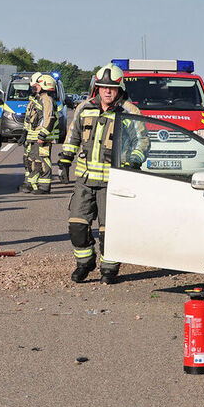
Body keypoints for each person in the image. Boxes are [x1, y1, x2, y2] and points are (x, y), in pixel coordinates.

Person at [58, 64, 149, 284]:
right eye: (103, 87)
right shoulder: (84, 108)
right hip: (85, 180)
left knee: (110, 231)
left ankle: (109, 269)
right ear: (97, 88)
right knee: (77, 225)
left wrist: (134, 161)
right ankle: (84, 263)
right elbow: (73, 136)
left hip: (113, 182)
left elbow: (142, 141)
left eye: (112, 88)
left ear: (120, 89)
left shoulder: (129, 112)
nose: (107, 91)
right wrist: (65, 160)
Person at [24, 74, 58, 194]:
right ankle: (37, 184)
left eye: (38, 84)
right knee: (36, 160)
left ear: (45, 86)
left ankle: (44, 187)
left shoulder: (47, 99)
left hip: (42, 137)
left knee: (44, 160)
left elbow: (48, 118)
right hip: (36, 136)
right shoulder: (41, 98)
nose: (36, 86)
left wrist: (42, 135)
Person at [19, 72, 43, 193]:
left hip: (36, 137)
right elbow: (28, 119)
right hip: (29, 136)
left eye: (34, 86)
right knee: (27, 160)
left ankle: (32, 184)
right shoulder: (32, 100)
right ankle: (28, 182)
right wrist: (24, 132)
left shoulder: (42, 100)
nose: (32, 89)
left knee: (35, 160)